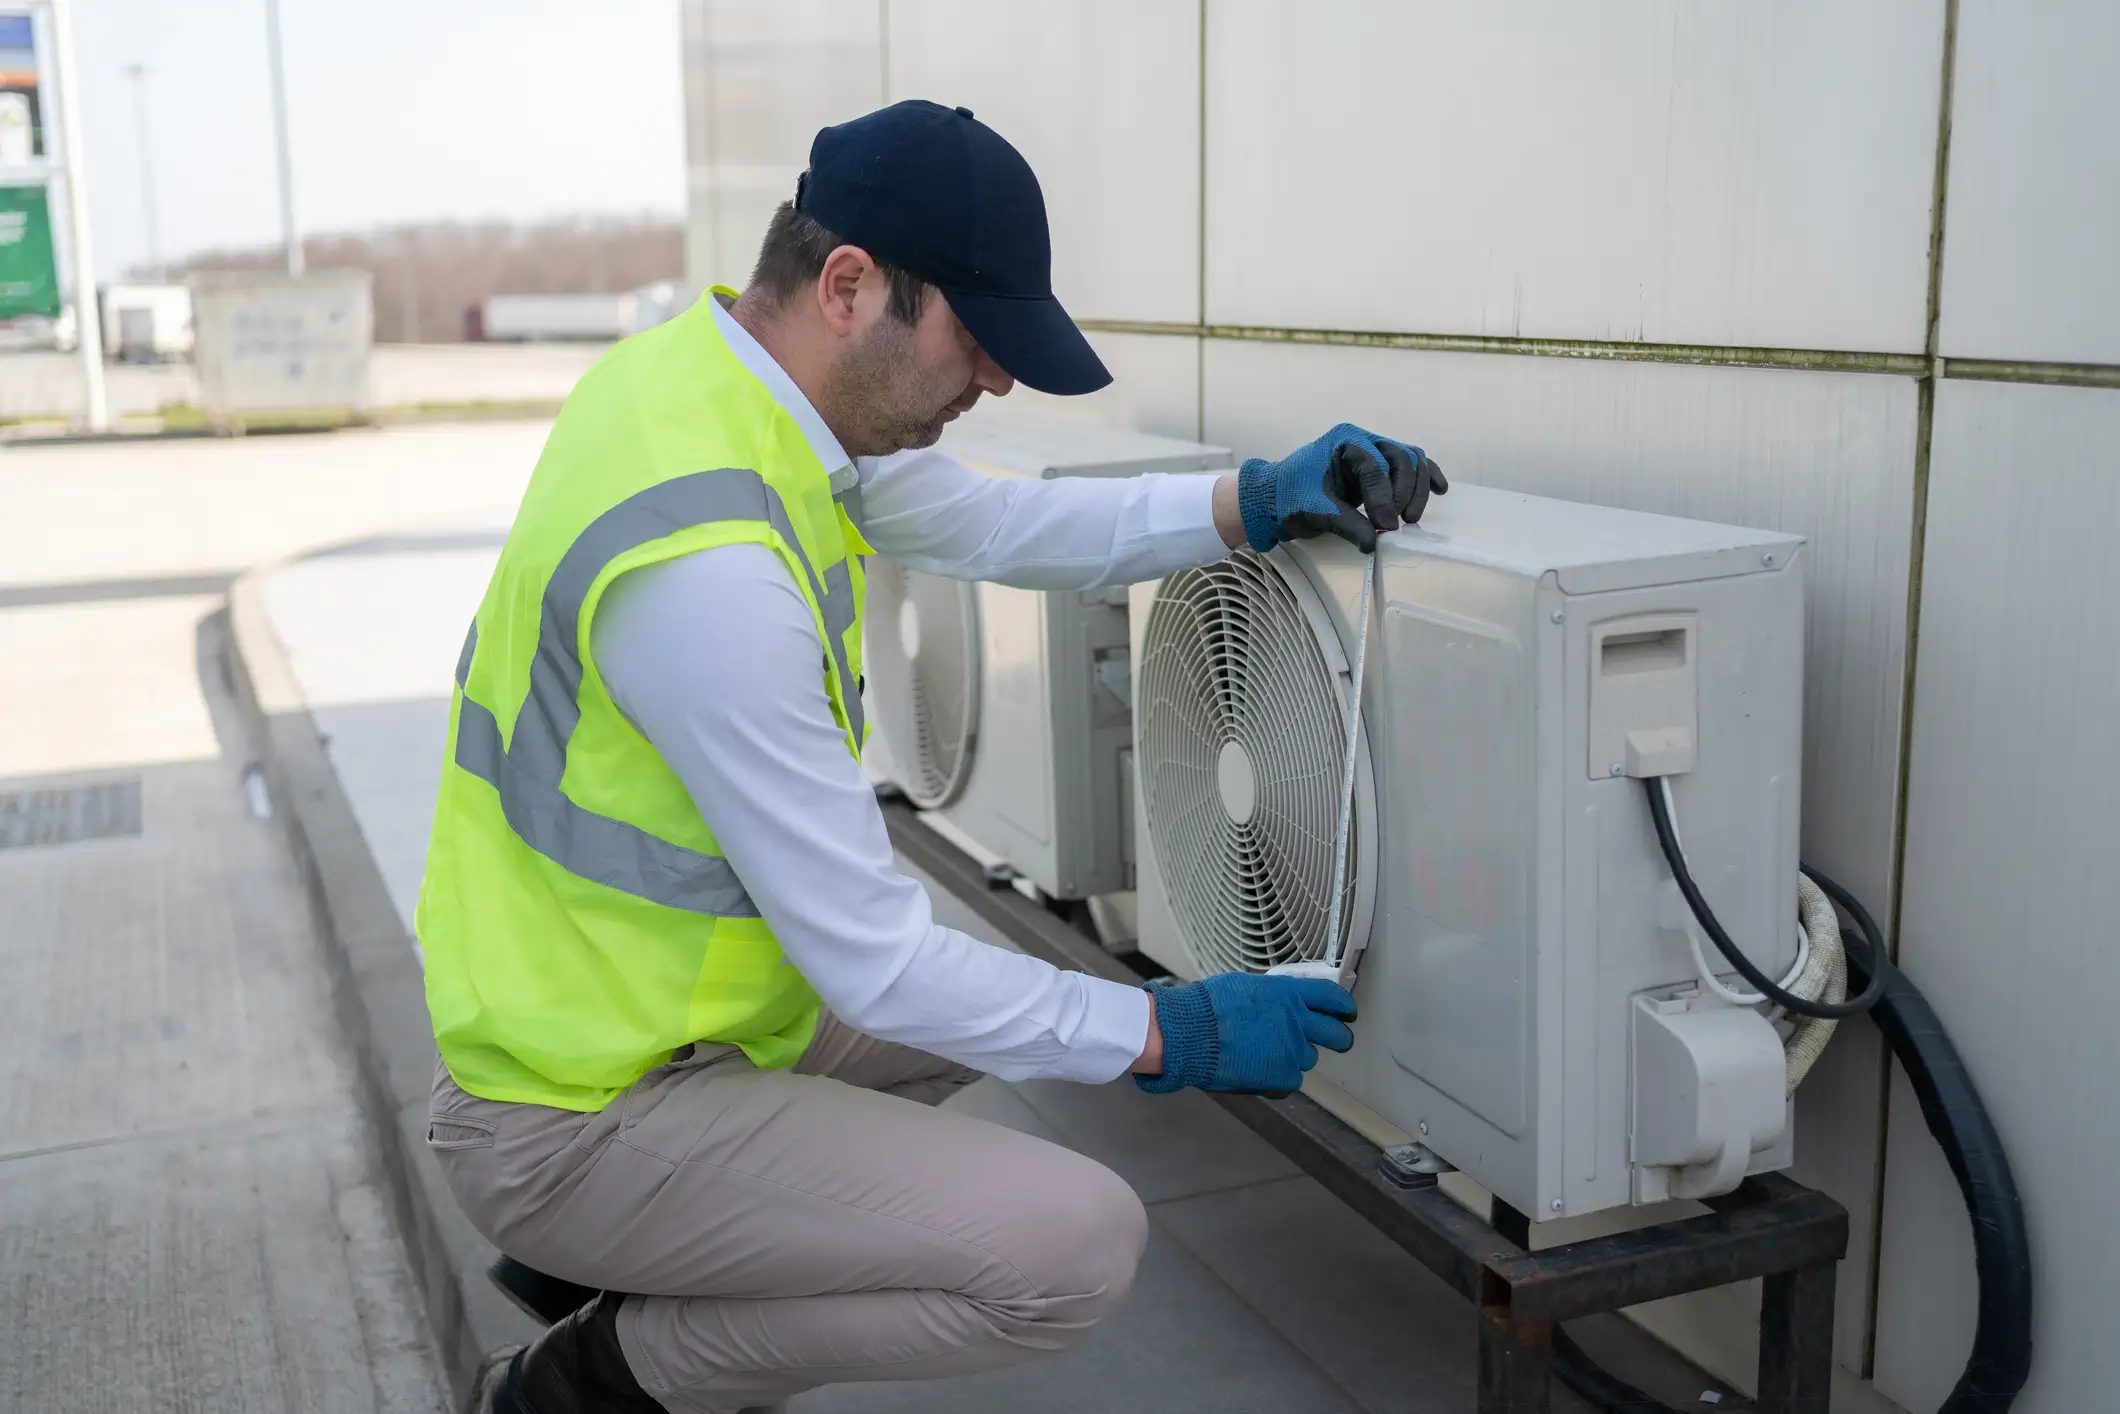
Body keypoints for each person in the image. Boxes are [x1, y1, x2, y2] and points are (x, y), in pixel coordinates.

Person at [416, 100, 1447, 1414]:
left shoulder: (720, 387)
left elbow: (1004, 525)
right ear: (851, 287)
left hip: (629, 1015)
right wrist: (1164, 1027)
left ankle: (645, 1252)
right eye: (978, 338)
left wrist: (1248, 500)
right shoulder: (709, 581)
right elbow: (881, 964)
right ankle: (599, 1373)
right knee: (1073, 1243)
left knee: (999, 998)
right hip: (565, 1114)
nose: (998, 381)